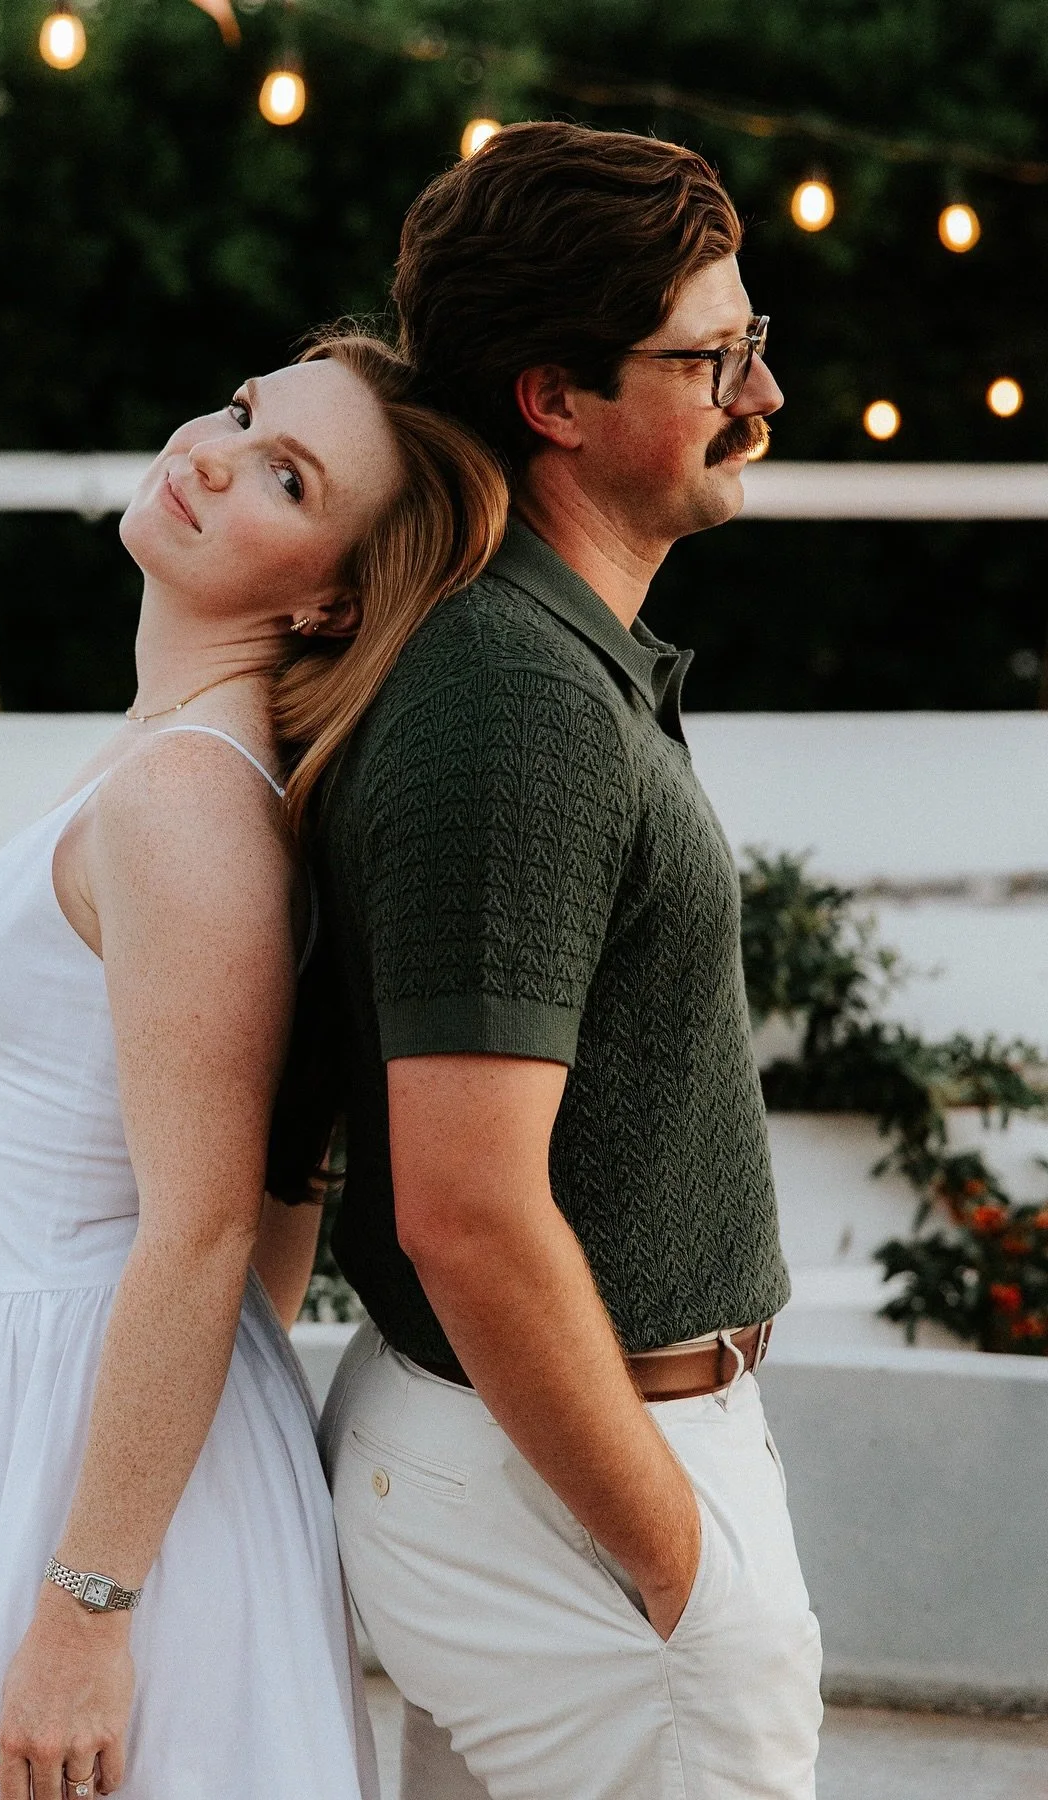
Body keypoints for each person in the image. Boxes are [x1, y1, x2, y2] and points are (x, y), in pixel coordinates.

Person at [0, 336, 506, 1800]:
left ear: (334, 594)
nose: (210, 448)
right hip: (57, 1428)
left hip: (88, 1465)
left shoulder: (192, 806)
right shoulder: (169, 765)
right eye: (245, 410)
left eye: (283, 475)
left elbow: (208, 1225)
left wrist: (89, 1611)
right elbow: (269, 1204)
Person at [316, 122, 823, 1800]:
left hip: (542, 1472)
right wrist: (681, 1567)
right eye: (711, 357)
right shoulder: (513, 700)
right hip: (570, 1494)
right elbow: (464, 1208)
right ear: (557, 400)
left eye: (754, 345)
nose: (759, 394)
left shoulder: (540, 660)